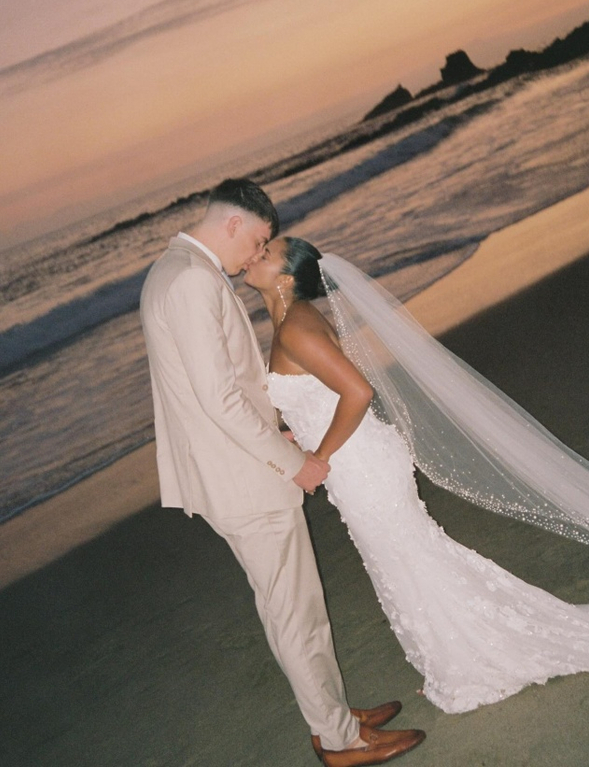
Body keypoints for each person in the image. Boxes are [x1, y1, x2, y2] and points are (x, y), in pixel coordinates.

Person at [244, 235, 589, 714]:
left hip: (360, 467)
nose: (255, 256)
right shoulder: (294, 321)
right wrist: (301, 435)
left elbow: (357, 392)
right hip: (358, 461)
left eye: (265, 253)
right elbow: (321, 396)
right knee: (407, 558)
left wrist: (318, 456)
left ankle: (465, 664)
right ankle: (453, 659)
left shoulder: (295, 327)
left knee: (405, 559)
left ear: (286, 278)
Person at [139, 179, 426, 767]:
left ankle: (333, 716)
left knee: (291, 608)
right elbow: (220, 399)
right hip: (243, 479)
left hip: (231, 466)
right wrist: (294, 462)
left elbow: (214, 393)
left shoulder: (170, 270)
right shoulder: (193, 280)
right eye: (259, 241)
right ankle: (340, 741)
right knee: (296, 613)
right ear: (236, 224)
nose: (255, 256)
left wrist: (277, 431)